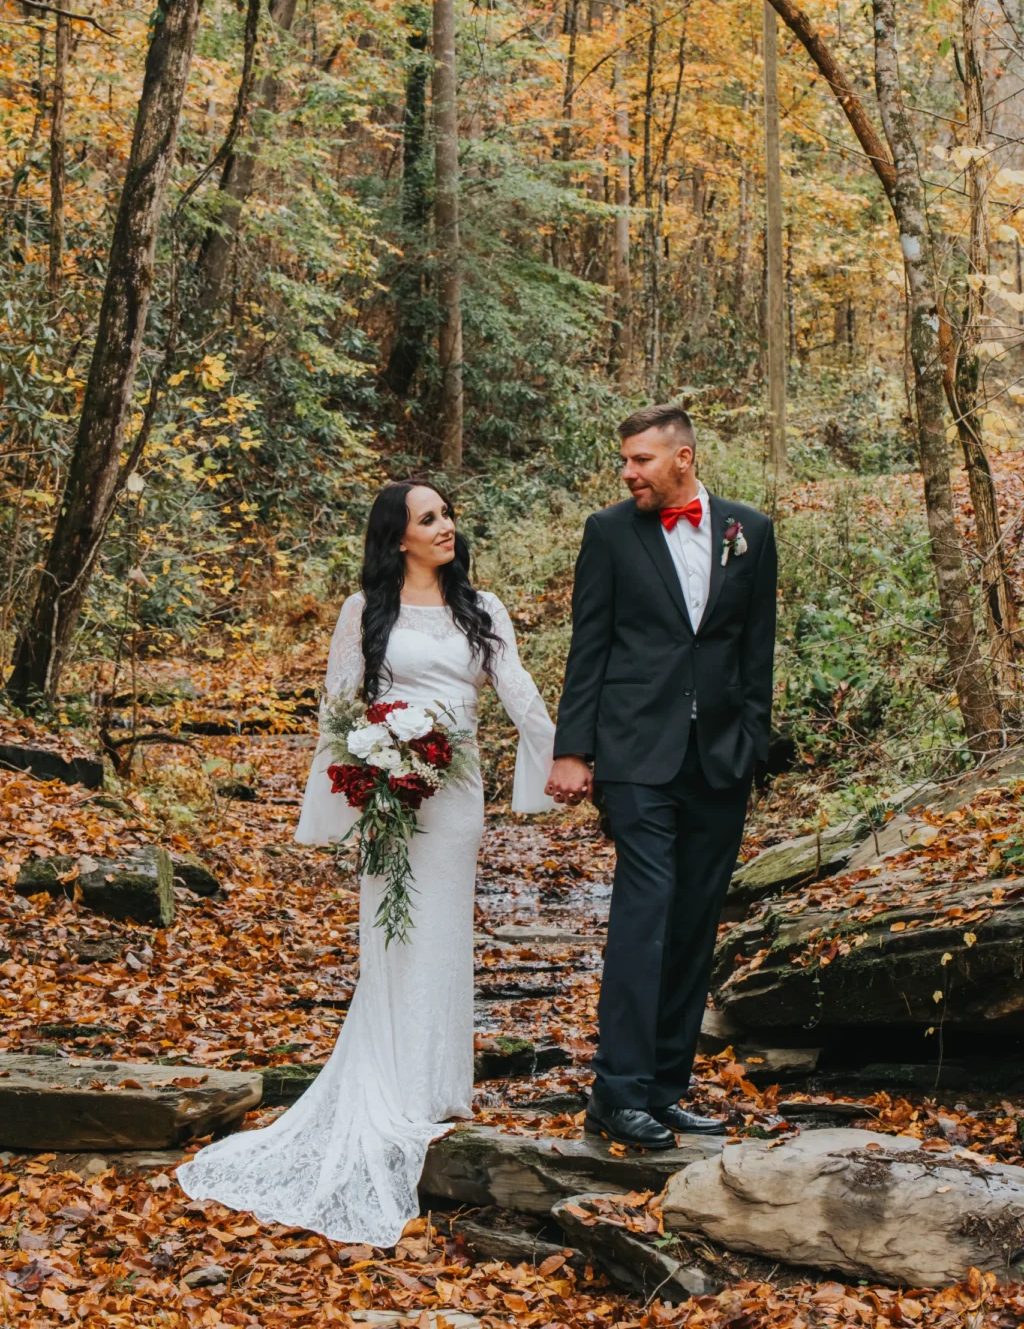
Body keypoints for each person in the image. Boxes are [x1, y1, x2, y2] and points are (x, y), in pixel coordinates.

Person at [177, 481, 557, 1245]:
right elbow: (340, 706)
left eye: (447, 513)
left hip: (457, 796)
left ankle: (441, 1088)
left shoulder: (483, 609)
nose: (446, 526)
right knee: (395, 932)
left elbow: (515, 689)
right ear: (398, 537)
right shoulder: (365, 612)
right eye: (428, 518)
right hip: (392, 795)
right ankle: (394, 1085)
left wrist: (566, 756)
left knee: (444, 931)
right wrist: (357, 782)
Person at [546, 405, 776, 1150]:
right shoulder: (610, 533)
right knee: (645, 917)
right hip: (636, 755)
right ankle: (617, 1092)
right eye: (626, 460)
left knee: (695, 923)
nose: (628, 472)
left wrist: (750, 742)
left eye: (641, 459)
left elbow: (755, 650)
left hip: (719, 759)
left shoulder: (751, 532)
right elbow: (591, 645)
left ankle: (667, 1090)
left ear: (685, 457)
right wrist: (573, 750)